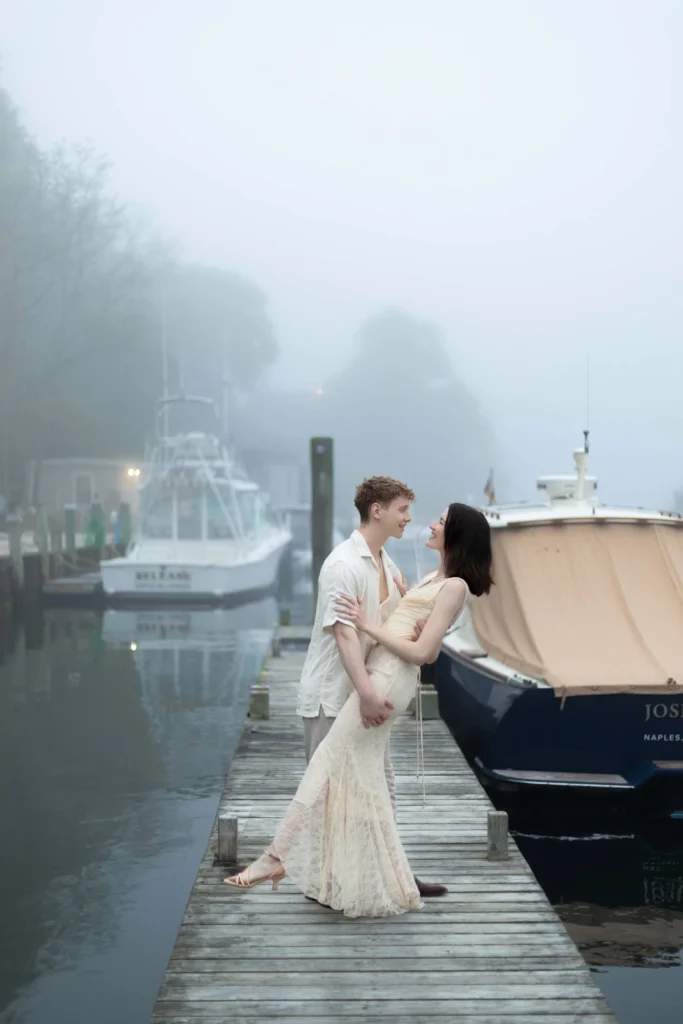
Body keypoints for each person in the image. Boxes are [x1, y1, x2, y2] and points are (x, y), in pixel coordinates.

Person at [224, 502, 493, 918]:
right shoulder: (431, 577)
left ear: (456, 534)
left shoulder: (454, 585)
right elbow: (422, 637)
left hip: (387, 679)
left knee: (328, 763)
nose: (431, 524)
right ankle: (389, 874)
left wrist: (367, 625)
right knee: (367, 779)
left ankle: (276, 858)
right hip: (382, 671)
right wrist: (403, 606)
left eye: (441, 521)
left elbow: (423, 654)